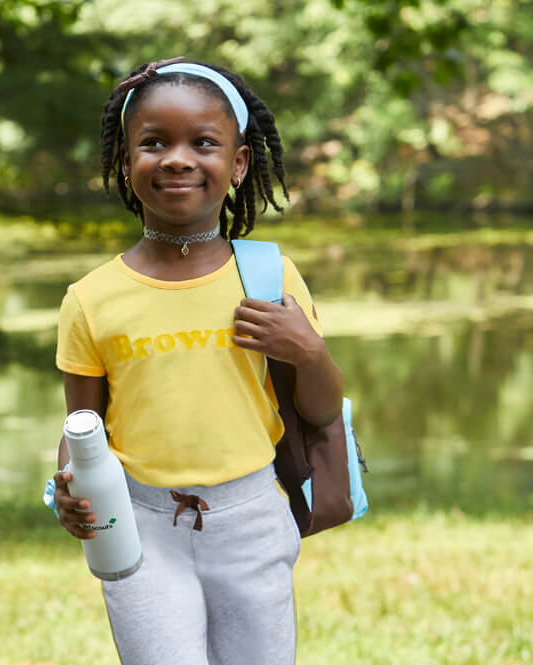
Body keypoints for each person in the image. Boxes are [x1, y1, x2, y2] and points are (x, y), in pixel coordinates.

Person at [48, 57, 344, 665]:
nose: (177, 159)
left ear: (237, 166)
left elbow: (318, 408)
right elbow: (83, 429)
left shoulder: (267, 276)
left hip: (254, 518)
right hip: (138, 525)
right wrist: (69, 491)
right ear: (126, 163)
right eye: (153, 143)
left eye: (203, 143)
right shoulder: (91, 299)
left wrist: (308, 351)